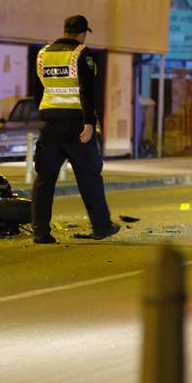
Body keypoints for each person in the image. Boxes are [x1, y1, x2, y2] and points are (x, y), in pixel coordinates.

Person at [31, 14, 120, 244]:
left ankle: (40, 232)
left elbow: (37, 91)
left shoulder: (43, 54)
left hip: (49, 125)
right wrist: (90, 123)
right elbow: (87, 91)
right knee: (89, 176)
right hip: (76, 125)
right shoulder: (82, 54)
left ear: (64, 30)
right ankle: (101, 226)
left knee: (44, 179)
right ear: (82, 33)